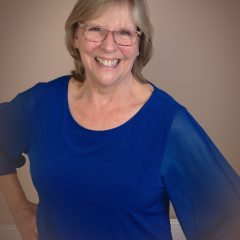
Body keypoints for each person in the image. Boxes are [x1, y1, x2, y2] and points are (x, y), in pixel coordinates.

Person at [0, 0, 239, 239]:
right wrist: (18, 209)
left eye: (124, 32)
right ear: (75, 36)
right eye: (95, 29)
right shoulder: (42, 103)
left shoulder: (168, 123)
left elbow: (229, 220)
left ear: (139, 44)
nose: (108, 45)